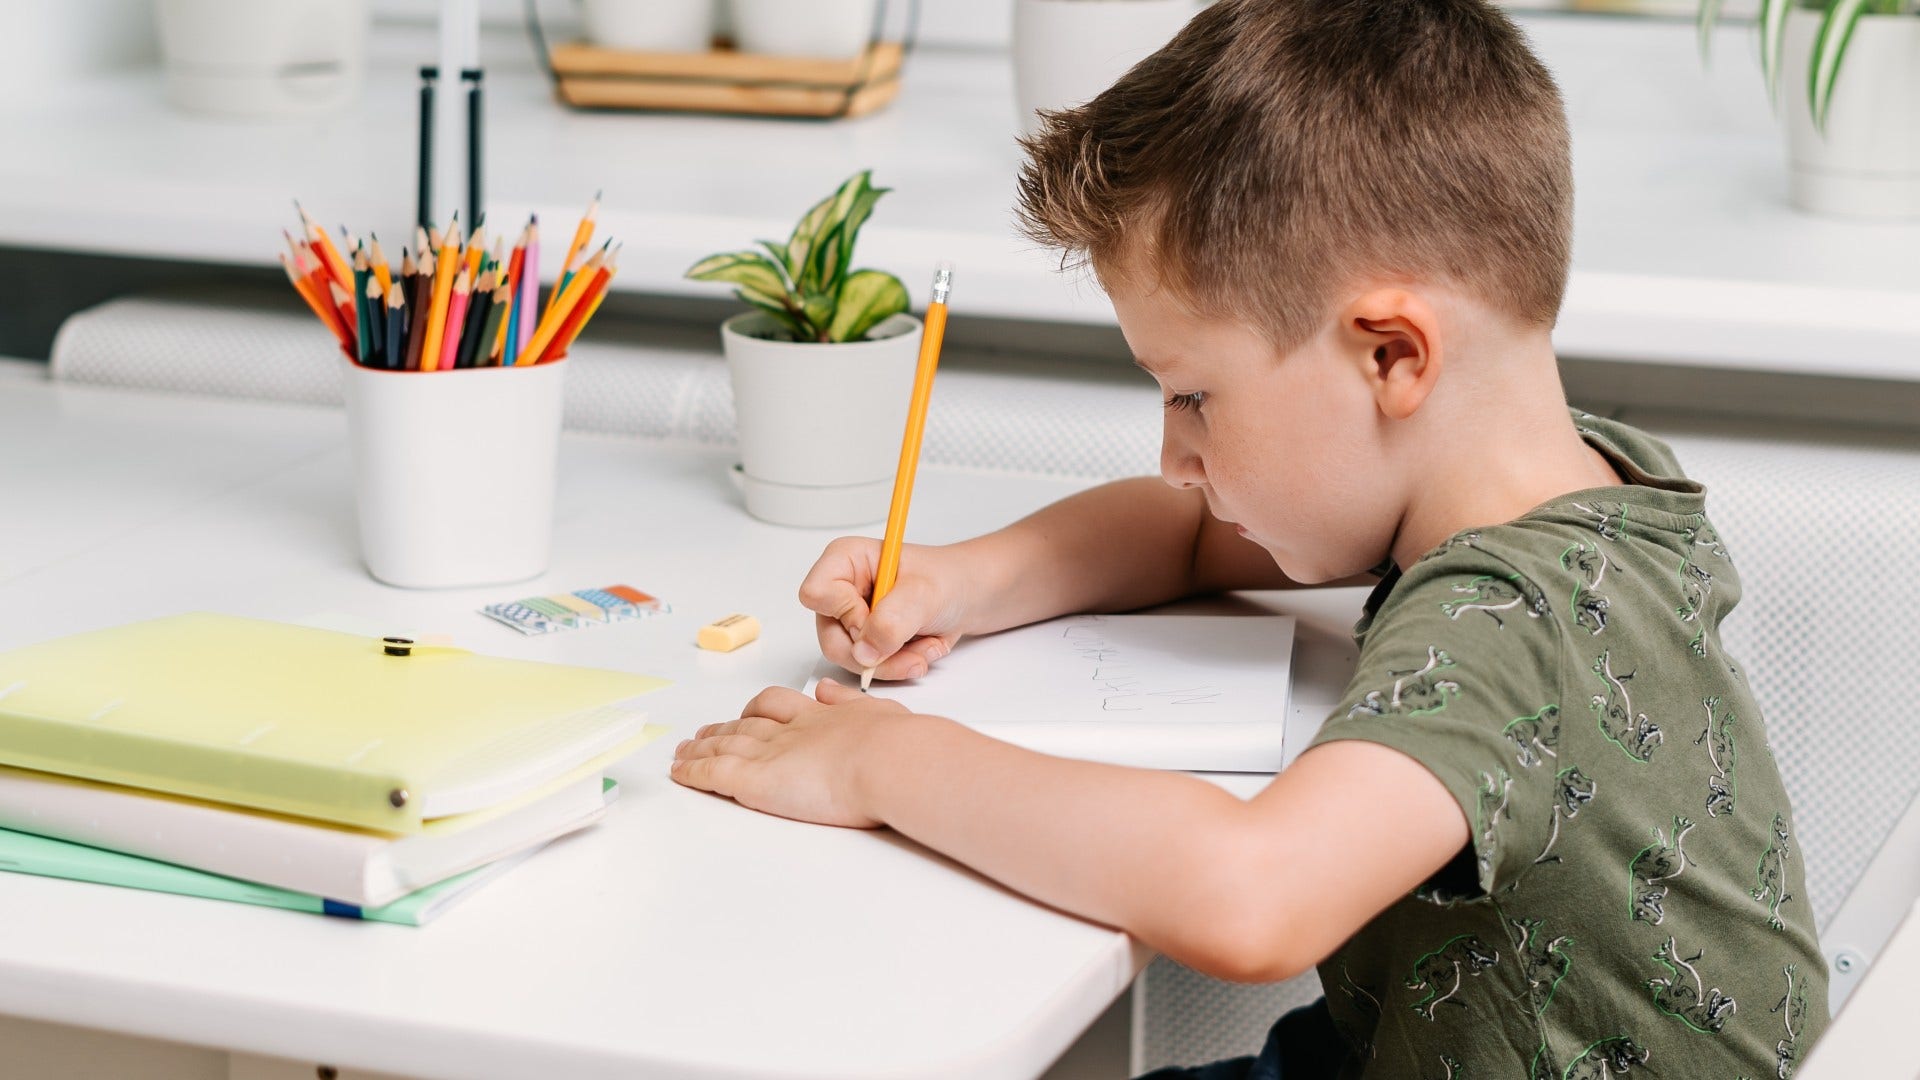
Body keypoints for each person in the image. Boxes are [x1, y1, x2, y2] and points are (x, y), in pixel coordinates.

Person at [671, 1, 1829, 1074]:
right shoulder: (1559, 472)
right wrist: (963, 582)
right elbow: (1186, 535)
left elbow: (1252, 896)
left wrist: (884, 759)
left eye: (1194, 398)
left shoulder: (1510, 623)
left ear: (1391, 355)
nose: (1177, 455)